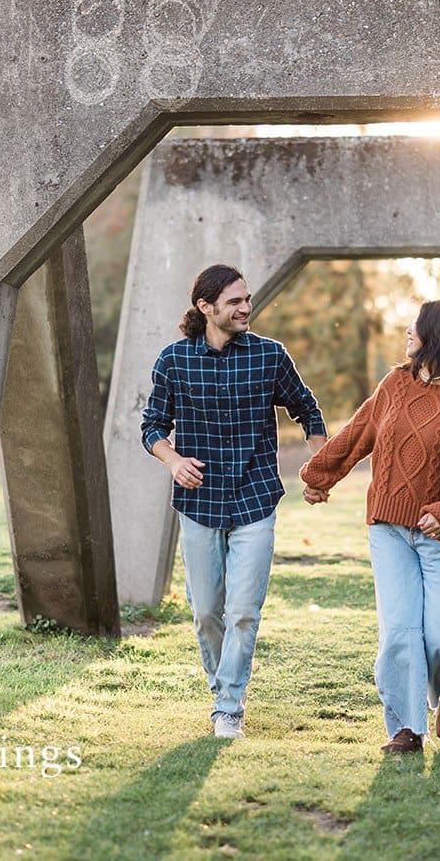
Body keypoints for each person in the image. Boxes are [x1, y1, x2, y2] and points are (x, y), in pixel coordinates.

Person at [299, 299, 440, 753]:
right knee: (401, 633)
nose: (407, 331)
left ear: (439, 335)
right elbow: (360, 432)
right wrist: (319, 475)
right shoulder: (395, 383)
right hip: (389, 527)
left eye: (416, 325)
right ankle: (407, 729)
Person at [141, 263, 327, 739]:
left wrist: (320, 467)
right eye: (235, 302)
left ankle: (229, 706)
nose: (247, 308)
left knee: (243, 610)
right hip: (199, 501)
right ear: (205, 308)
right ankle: (222, 685)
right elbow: (153, 428)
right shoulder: (174, 360)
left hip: (255, 497)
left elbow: (306, 408)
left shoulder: (269, 356)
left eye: (247, 299)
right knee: (206, 612)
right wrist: (172, 460)